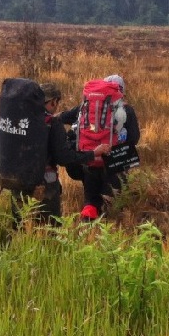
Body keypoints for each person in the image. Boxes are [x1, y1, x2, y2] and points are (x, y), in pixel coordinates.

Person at [10, 82, 110, 228]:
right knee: (50, 229)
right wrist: (93, 154)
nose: (57, 107)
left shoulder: (18, 119)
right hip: (43, 184)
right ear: (52, 101)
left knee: (20, 227)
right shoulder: (52, 123)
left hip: (16, 180)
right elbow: (64, 158)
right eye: (57, 102)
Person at [59, 74, 140, 221]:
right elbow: (134, 139)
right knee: (111, 205)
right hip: (115, 163)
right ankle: (106, 232)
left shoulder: (86, 107)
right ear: (121, 91)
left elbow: (61, 118)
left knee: (91, 200)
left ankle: (86, 229)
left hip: (90, 160)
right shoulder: (127, 110)